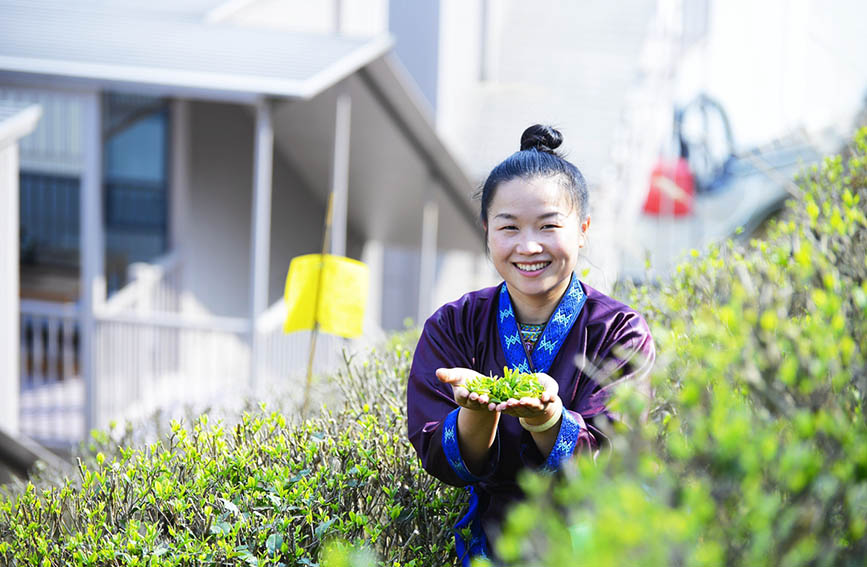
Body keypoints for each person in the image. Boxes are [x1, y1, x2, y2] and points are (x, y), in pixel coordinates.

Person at [406, 124, 656, 565]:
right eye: (509, 227)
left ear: (582, 229)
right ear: (486, 230)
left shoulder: (619, 331)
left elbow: (614, 457)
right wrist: (475, 412)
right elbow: (440, 459)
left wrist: (549, 420)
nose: (529, 245)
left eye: (548, 226)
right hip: (488, 545)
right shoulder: (454, 325)